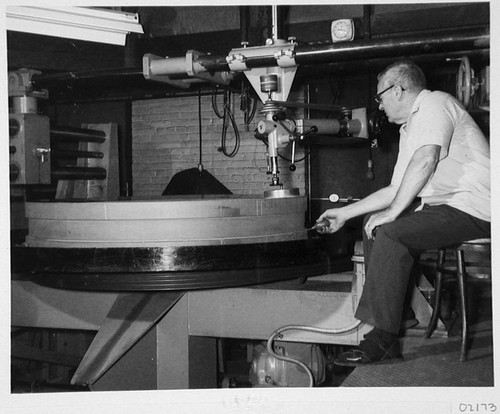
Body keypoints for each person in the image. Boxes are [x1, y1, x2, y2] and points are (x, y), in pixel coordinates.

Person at [315, 59, 490, 366]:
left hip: (477, 207)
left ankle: (382, 339)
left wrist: (394, 214)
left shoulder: (434, 103)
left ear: (397, 90)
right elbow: (396, 189)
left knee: (391, 231)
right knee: (375, 227)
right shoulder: (411, 127)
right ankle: (399, 317)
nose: (379, 106)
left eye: (380, 97)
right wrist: (344, 214)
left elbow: (426, 160)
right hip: (450, 207)